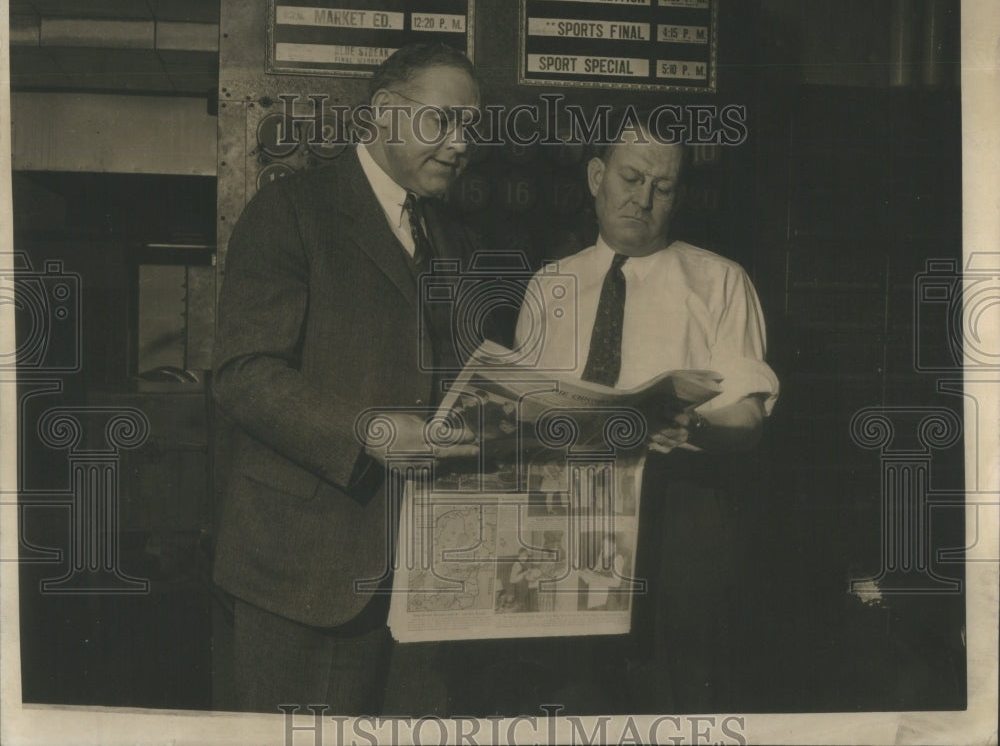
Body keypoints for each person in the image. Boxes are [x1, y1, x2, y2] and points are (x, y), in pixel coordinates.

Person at [211, 42, 480, 714]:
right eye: (444, 121)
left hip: (425, 582)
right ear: (387, 112)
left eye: (471, 127)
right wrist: (370, 431)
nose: (461, 144)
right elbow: (243, 372)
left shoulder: (455, 238)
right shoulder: (291, 210)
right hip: (303, 575)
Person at [514, 113, 780, 710]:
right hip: (571, 520)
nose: (643, 199)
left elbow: (750, 420)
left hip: (682, 517)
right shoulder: (549, 284)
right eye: (632, 178)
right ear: (595, 176)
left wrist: (699, 426)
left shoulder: (720, 281)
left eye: (663, 188)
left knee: (679, 696)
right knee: (574, 697)